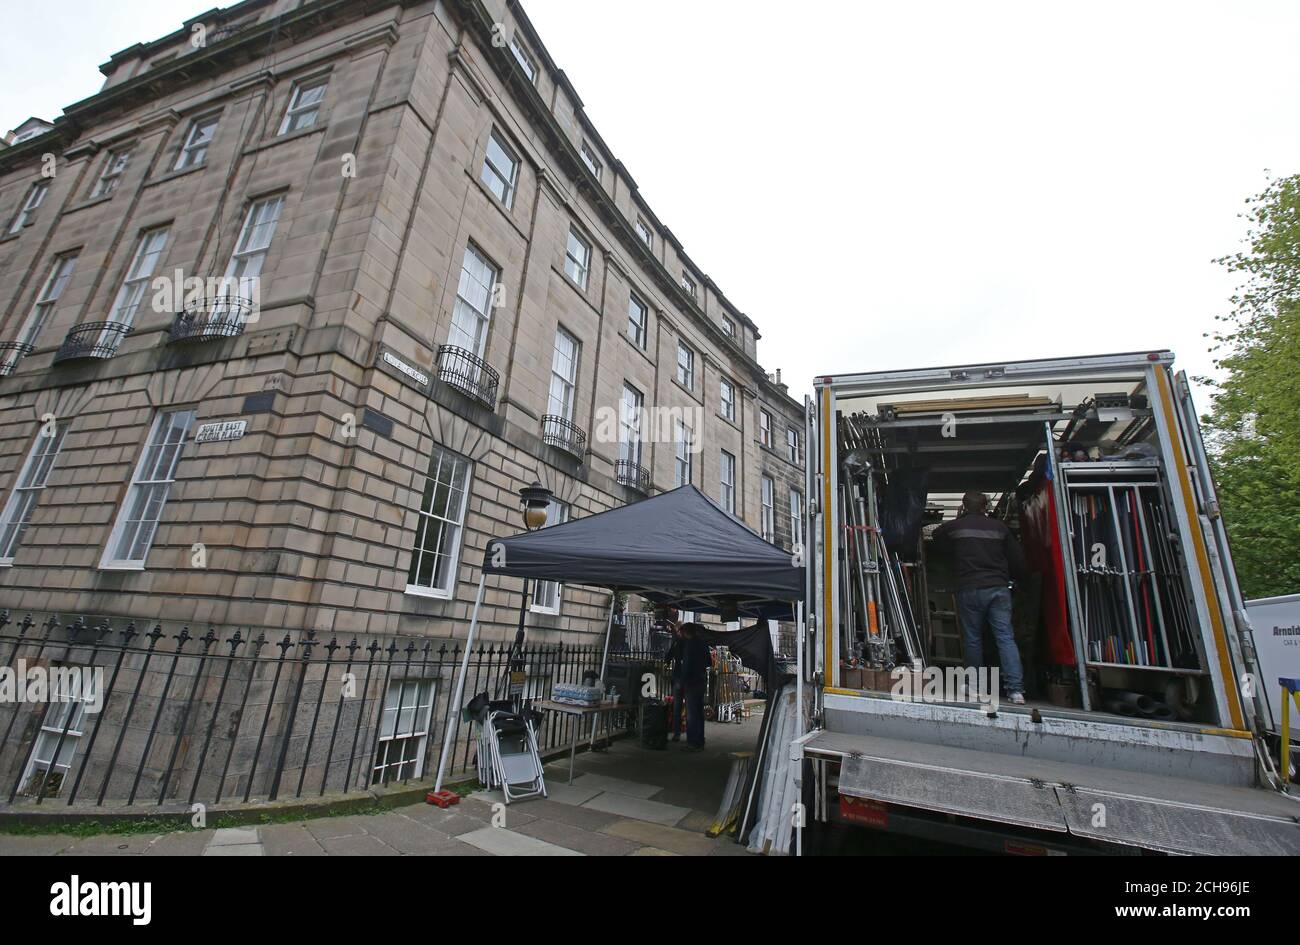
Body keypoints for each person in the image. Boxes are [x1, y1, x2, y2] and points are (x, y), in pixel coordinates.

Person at [931, 491, 1028, 704]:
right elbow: (1017, 559)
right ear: (986, 507)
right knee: (1005, 637)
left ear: (963, 506)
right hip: (998, 588)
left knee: (973, 639)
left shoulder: (956, 527)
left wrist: (958, 521)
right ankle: (1015, 690)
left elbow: (936, 536)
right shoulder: (1000, 528)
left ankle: (975, 686)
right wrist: (1017, 581)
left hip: (970, 588)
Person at [677, 622, 710, 751]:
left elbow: (686, 666)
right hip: (701, 680)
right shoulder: (703, 643)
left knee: (691, 714)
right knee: (699, 712)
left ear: (686, 632)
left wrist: (682, 682)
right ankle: (700, 740)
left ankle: (692, 742)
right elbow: (709, 662)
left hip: (691, 682)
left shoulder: (689, 645)